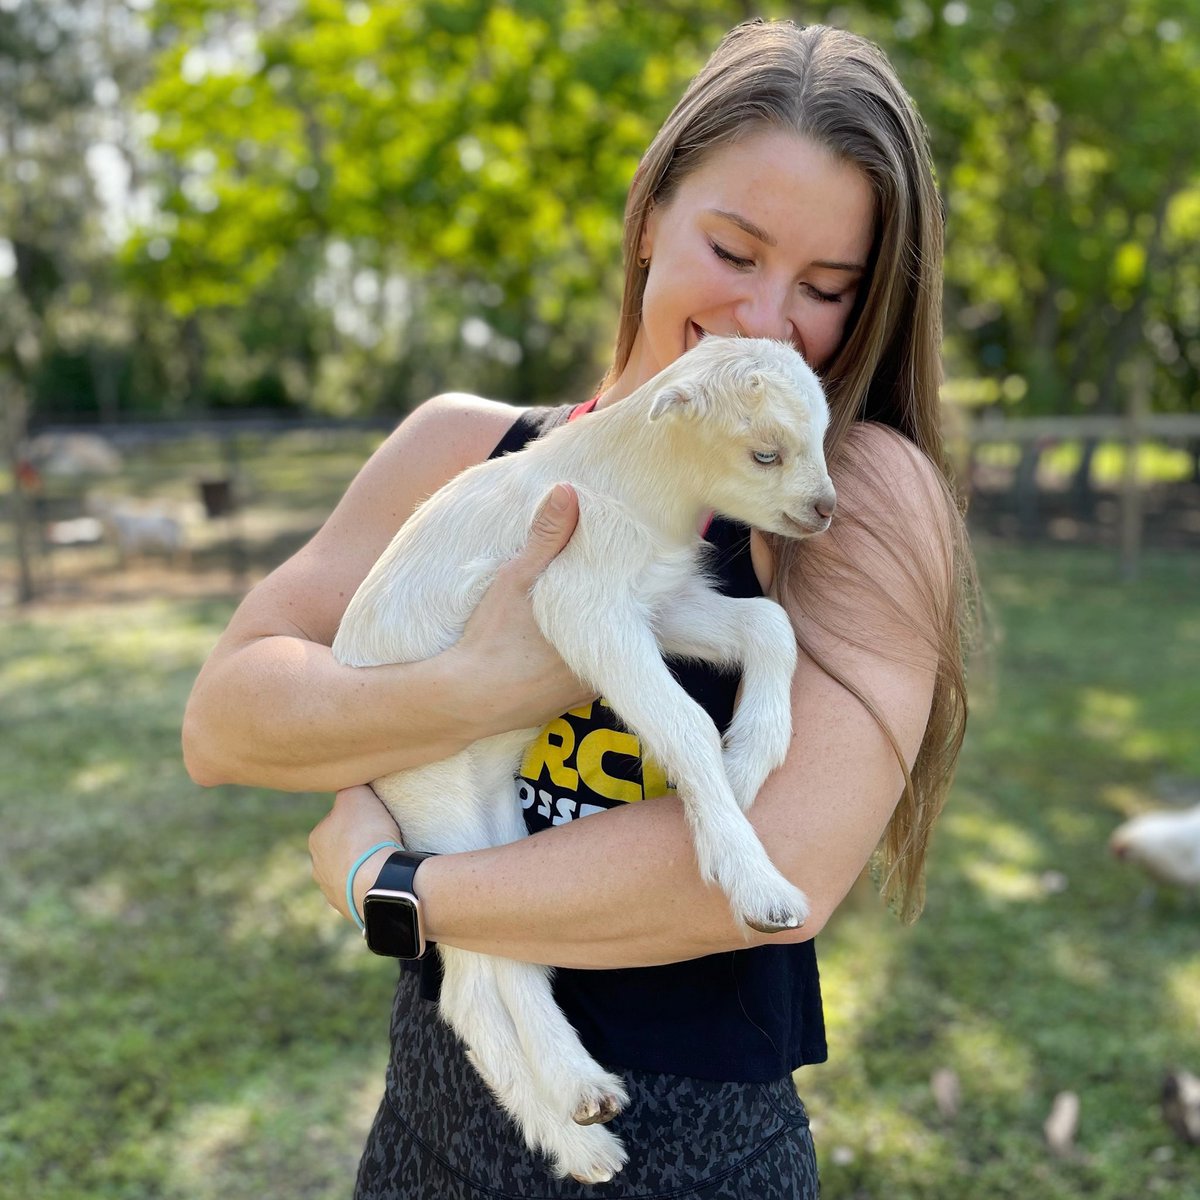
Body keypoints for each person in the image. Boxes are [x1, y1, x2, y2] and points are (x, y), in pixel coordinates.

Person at [183, 18, 976, 1199]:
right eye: (734, 250)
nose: (766, 320)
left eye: (825, 288)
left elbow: (784, 869)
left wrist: (398, 892)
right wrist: (472, 687)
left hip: (697, 1163)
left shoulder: (855, 496)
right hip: (425, 1143)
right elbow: (225, 724)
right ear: (650, 213)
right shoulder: (466, 451)